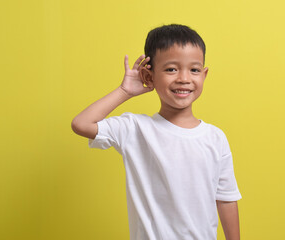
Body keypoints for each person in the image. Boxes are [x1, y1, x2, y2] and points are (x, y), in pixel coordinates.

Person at [71, 24, 242, 240]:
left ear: (204, 75)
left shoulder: (215, 138)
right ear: (149, 76)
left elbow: (225, 198)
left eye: (194, 70)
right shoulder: (134, 129)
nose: (184, 78)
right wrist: (125, 91)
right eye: (171, 69)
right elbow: (81, 123)